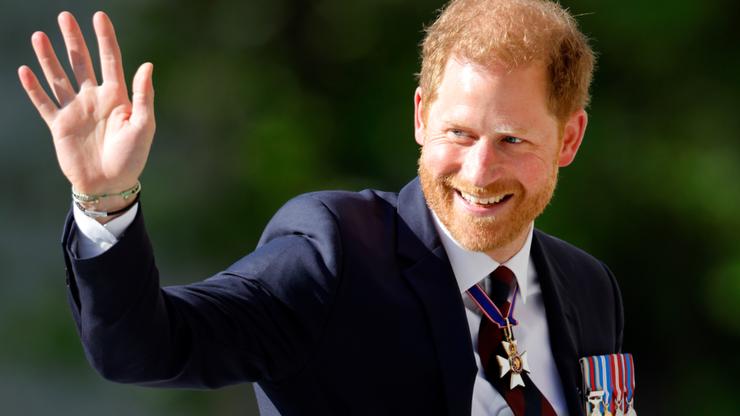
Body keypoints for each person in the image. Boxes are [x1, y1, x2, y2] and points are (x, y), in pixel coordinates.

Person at [19, 0, 624, 415]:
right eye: (459, 134)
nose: (479, 171)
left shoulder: (588, 285)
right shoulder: (335, 253)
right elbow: (148, 348)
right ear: (420, 116)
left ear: (569, 139)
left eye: (512, 140)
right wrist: (106, 199)